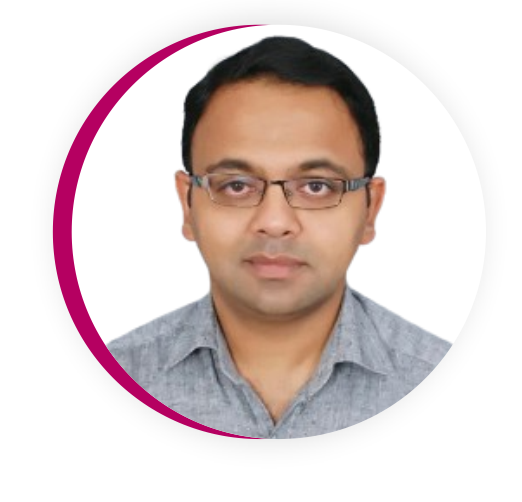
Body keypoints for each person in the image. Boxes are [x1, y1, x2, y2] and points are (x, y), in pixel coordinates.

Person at [108, 36, 452, 439]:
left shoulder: (450, 385)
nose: (274, 222)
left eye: (317, 186)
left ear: (369, 210)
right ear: (188, 204)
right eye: (236, 185)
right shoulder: (110, 379)